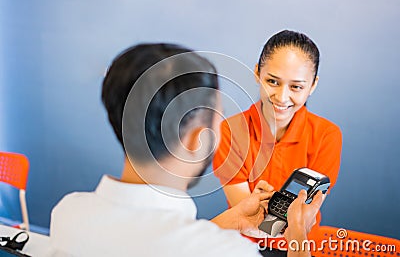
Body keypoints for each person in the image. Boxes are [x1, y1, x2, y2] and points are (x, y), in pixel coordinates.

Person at [48, 43, 324, 257]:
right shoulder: (228, 252)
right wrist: (298, 235)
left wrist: (231, 222)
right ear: (196, 139)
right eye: (219, 116)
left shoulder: (68, 212)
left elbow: (161, 240)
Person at [212, 30, 342, 253]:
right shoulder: (230, 132)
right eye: (272, 81)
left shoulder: (327, 135)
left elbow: (304, 218)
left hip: (300, 245)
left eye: (296, 87)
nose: (282, 98)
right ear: (257, 73)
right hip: (243, 247)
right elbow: (247, 216)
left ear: (312, 85)